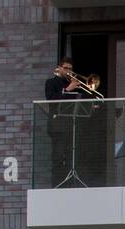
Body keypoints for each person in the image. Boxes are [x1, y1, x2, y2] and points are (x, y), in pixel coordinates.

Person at [45, 58, 87, 186]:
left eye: (70, 68)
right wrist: (68, 89)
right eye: (66, 68)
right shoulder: (51, 82)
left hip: (71, 126)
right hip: (57, 126)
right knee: (58, 157)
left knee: (71, 157)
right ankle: (56, 186)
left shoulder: (72, 83)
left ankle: (70, 184)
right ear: (59, 68)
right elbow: (51, 99)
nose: (68, 71)